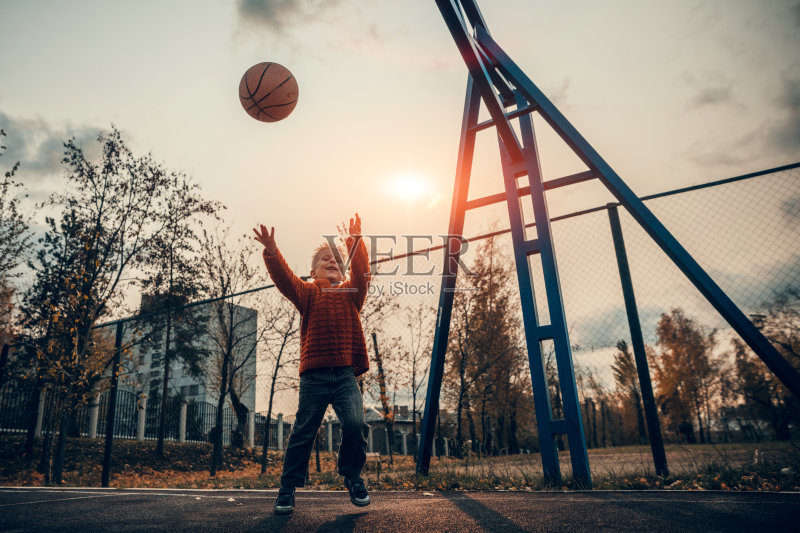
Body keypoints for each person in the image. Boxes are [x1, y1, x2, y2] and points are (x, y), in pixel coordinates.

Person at [253, 213, 371, 515]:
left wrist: (355, 241)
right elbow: (285, 279)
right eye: (325, 259)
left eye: (336, 260)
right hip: (314, 378)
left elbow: (362, 272)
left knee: (357, 423)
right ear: (313, 270)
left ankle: (352, 476)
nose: (332, 261)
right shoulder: (307, 293)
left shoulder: (351, 293)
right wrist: (271, 251)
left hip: (345, 376)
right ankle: (287, 488)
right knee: (303, 431)